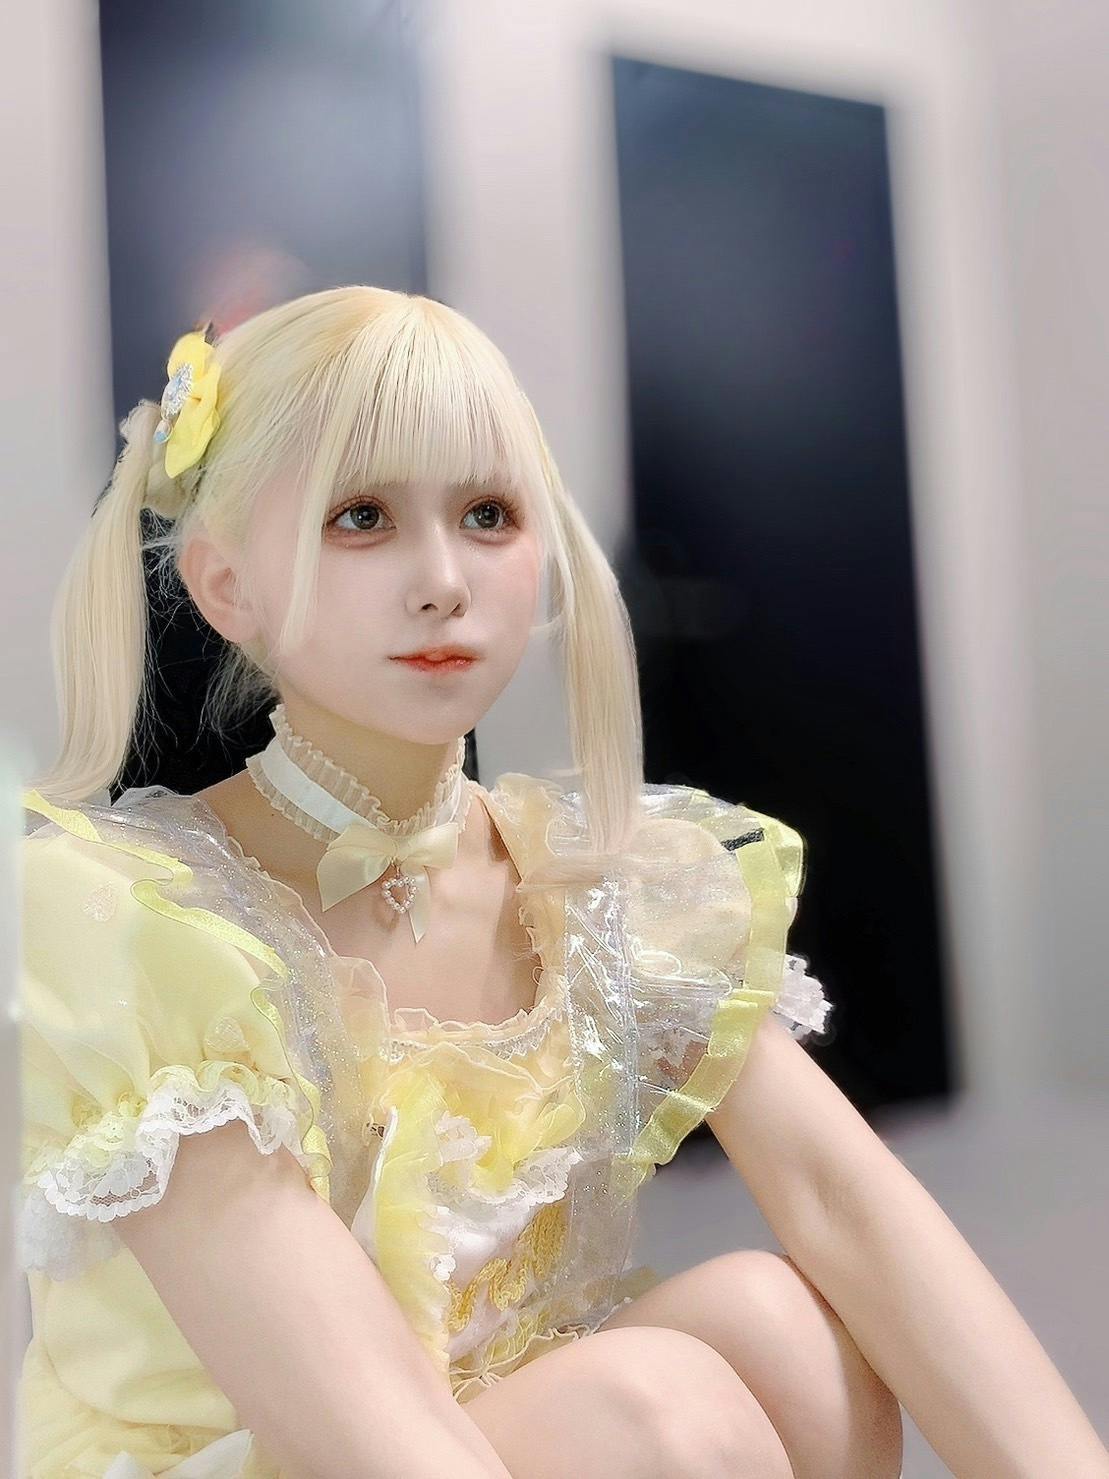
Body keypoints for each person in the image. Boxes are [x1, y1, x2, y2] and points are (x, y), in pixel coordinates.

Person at [15, 288, 1105, 1479]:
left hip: (487, 1425)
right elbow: (383, 1444)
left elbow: (845, 1205)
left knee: (780, 1329)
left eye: (487, 513)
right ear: (225, 586)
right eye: (361, 517)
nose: (442, 579)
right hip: (298, 1455)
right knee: (656, 1406)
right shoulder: (148, 929)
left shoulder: (589, 880)